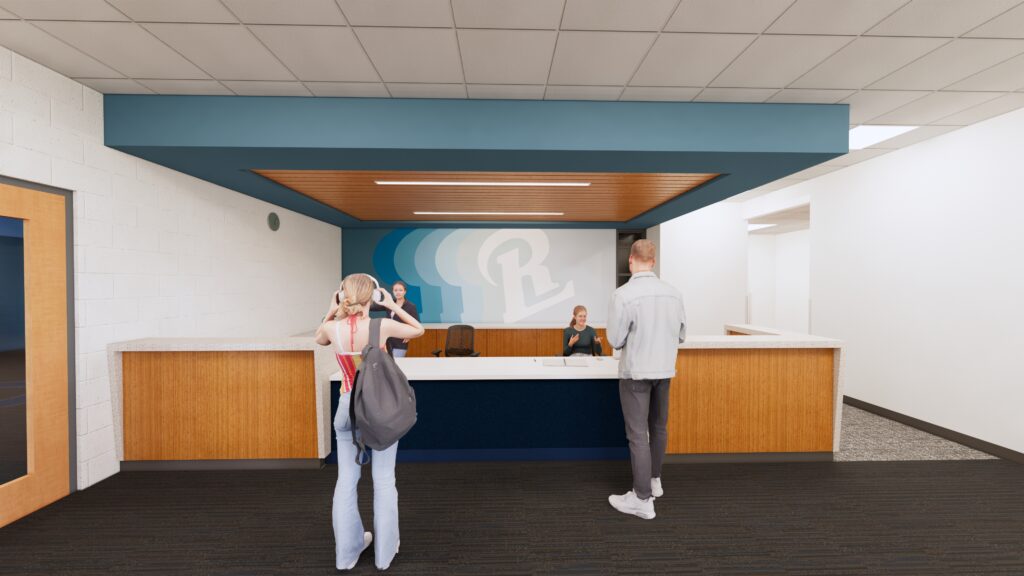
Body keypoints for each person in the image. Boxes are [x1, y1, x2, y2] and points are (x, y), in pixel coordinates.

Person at [315, 273, 425, 570]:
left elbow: (318, 337)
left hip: (346, 407)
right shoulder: (381, 324)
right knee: (384, 479)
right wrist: (392, 304)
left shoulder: (331, 328)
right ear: (373, 297)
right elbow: (418, 329)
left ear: (343, 296)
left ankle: (346, 555)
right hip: (378, 411)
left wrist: (330, 306)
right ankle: (384, 553)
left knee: (346, 480)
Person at [605, 239, 686, 520]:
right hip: (664, 371)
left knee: (638, 435)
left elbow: (615, 339)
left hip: (636, 372)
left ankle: (641, 499)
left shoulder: (624, 295)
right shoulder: (674, 294)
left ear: (631, 261)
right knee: (659, 428)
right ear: (653, 262)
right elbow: (682, 335)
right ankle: (654, 481)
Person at [384, 281, 419, 358]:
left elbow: (417, 324)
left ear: (405, 291)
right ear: (393, 291)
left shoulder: (411, 306)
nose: (398, 292)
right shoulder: (390, 303)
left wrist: (409, 335)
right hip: (388, 341)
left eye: (400, 290)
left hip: (400, 342)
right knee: (388, 366)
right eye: (395, 290)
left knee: (397, 365)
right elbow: (374, 306)